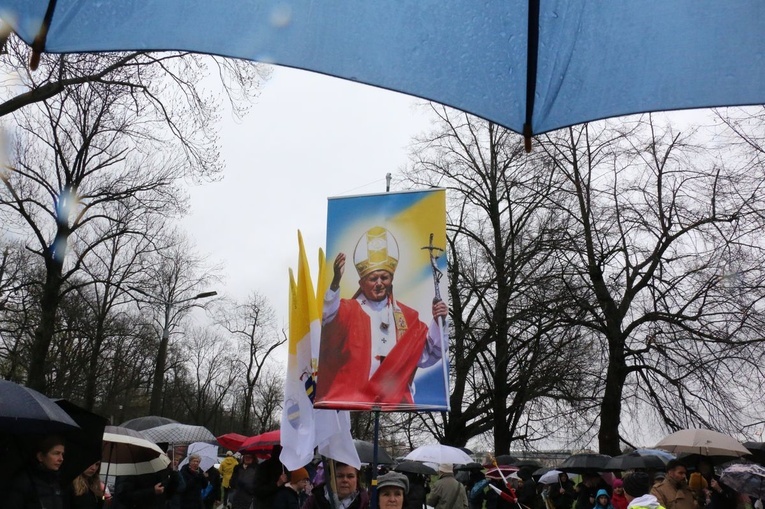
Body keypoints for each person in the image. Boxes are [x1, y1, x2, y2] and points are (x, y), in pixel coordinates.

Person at [316, 227, 448, 409]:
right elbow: (327, 322)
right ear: (361, 283)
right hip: (351, 401)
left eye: (384, 277)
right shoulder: (347, 310)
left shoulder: (407, 317)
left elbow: (429, 354)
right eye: (373, 278)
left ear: (391, 279)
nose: (379, 283)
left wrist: (438, 320)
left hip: (394, 401)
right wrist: (335, 282)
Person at [8, 435, 69, 509]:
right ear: (40, 456)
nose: (61, 459)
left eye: (62, 454)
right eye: (56, 453)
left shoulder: (56, 482)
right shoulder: (24, 482)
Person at [302, 463, 370, 509]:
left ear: (357, 479)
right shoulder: (315, 500)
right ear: (330, 478)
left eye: (350, 476)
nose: (345, 480)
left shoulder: (365, 504)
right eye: (340, 476)